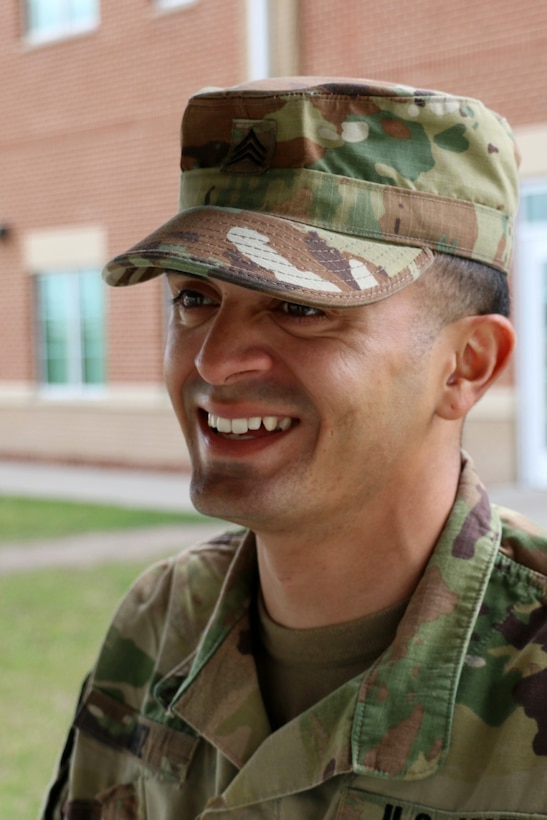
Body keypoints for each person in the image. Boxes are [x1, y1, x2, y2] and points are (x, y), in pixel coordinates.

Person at [42, 78, 547, 819]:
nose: (214, 363)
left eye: (301, 308)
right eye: (194, 298)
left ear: (465, 365)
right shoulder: (161, 622)